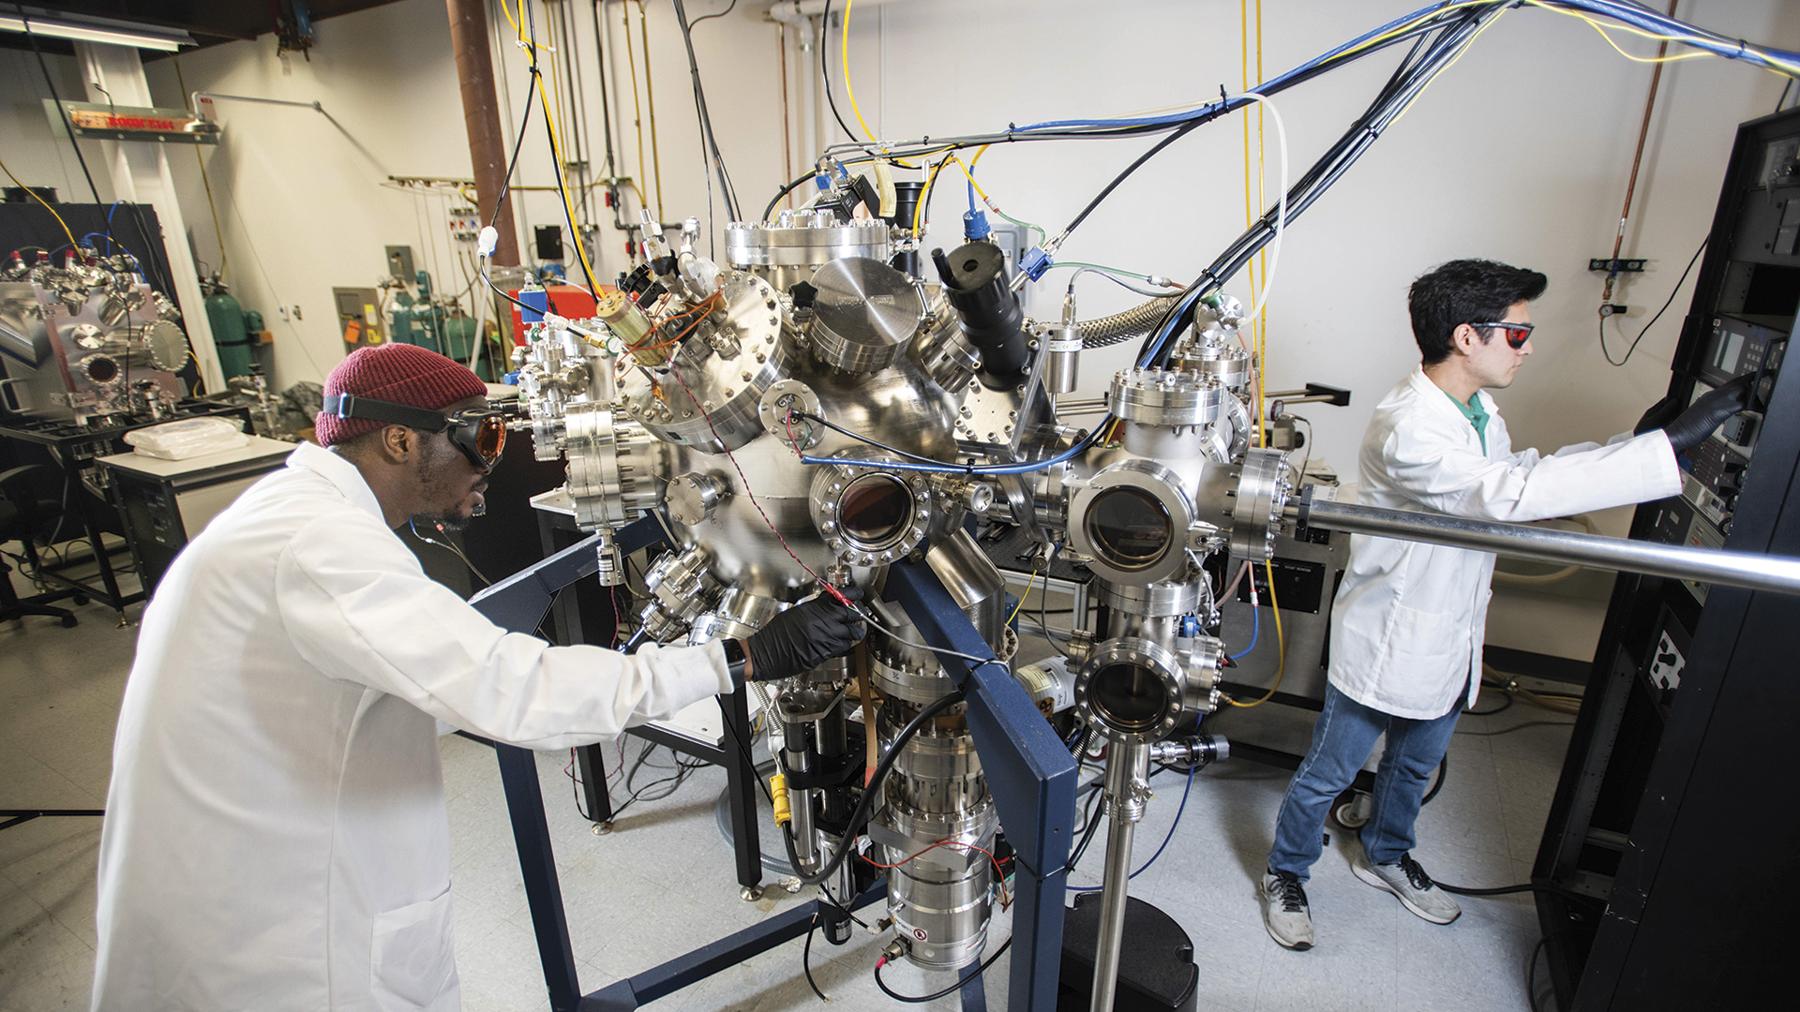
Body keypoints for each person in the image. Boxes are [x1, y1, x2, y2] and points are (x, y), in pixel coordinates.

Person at [91, 344, 865, 1009]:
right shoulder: (317, 549)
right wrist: (742, 657)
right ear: (398, 440)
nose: (493, 464)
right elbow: (520, 695)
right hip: (272, 940)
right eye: (479, 438)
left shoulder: (299, 516)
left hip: (266, 863)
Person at [1258, 259, 1754, 951]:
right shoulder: (1410, 426)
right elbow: (1500, 499)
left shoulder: (1474, 411)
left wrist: (1635, 445)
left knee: (1414, 764)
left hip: (1450, 626)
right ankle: (1286, 871)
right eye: (1517, 334)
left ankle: (1387, 853)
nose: (1527, 347)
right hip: (1392, 626)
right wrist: (1665, 449)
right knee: (1330, 771)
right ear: (1468, 336)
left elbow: (1512, 474)